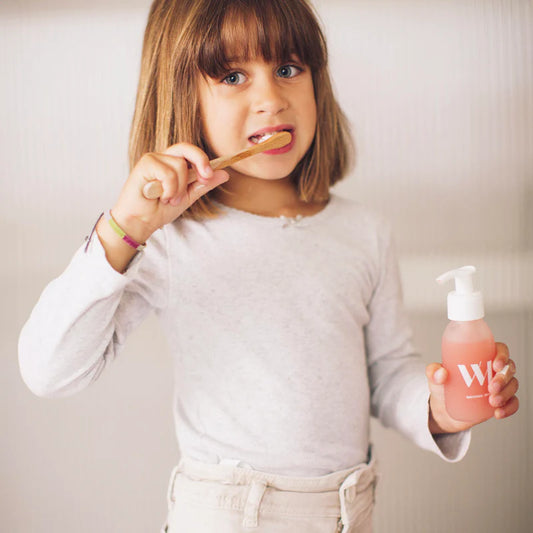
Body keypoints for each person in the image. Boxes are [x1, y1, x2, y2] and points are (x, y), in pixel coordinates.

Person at [18, 1, 519, 532]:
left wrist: (442, 408)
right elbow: (50, 370)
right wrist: (124, 230)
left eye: (288, 68)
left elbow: (388, 372)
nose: (272, 99)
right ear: (181, 96)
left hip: (348, 515)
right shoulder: (167, 240)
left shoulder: (363, 233)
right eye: (233, 76)